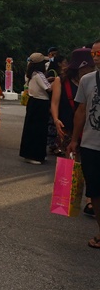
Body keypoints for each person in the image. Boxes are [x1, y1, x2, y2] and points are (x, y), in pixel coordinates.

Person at [66, 39, 100, 248]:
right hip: (91, 144)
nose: (96, 57)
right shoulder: (87, 80)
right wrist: (74, 140)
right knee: (95, 191)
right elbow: (80, 111)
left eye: (99, 53)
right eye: (94, 54)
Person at [50, 49, 93, 157]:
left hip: (88, 128)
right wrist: (56, 120)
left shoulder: (93, 81)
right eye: (89, 67)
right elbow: (54, 103)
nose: (91, 70)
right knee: (69, 161)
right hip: (67, 127)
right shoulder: (61, 81)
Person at [19, 52, 51, 164]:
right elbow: (48, 89)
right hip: (41, 103)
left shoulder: (30, 74)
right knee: (39, 130)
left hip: (32, 102)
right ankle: (35, 155)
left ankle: (28, 153)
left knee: (30, 129)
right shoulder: (39, 75)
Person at [46, 54, 68, 153]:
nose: (67, 65)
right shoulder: (54, 73)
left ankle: (56, 145)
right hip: (52, 101)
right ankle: (53, 145)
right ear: (59, 64)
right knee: (53, 125)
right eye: (65, 63)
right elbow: (47, 87)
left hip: (54, 102)